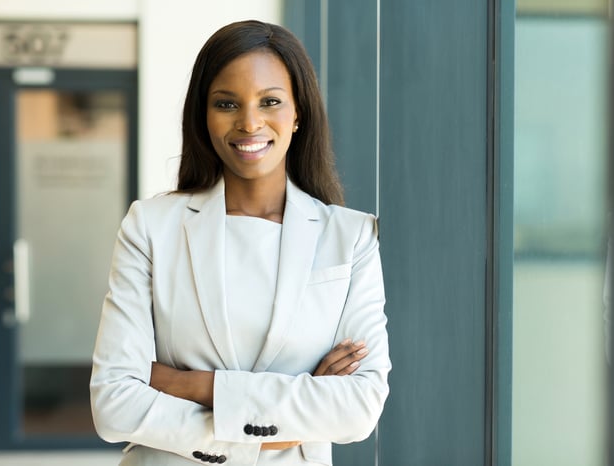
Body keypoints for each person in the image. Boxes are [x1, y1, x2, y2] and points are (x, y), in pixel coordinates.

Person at [90, 20, 390, 466]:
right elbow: (114, 404)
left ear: (298, 113)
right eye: (227, 103)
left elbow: (360, 406)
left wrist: (190, 384)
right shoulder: (151, 227)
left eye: (270, 101)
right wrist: (278, 425)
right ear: (204, 115)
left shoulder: (351, 237)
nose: (249, 122)